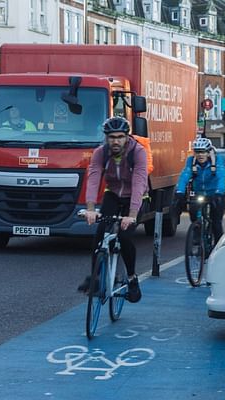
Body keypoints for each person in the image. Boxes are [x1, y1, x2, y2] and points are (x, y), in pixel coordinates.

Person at [78, 116, 148, 303]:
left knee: (125, 236)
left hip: (136, 197)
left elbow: (139, 182)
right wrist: (91, 208)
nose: (115, 141)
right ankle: (95, 277)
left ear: (127, 137)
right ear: (106, 138)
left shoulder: (138, 152)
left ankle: (132, 279)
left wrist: (131, 215)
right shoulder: (101, 153)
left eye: (119, 136)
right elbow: (93, 178)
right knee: (100, 233)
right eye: (111, 137)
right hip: (114, 194)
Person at [175, 137, 225, 244]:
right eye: (197, 152)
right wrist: (180, 192)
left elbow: (221, 176)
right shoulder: (191, 161)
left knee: (216, 222)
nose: (200, 155)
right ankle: (197, 231)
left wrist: (219, 192)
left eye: (203, 152)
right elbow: (185, 175)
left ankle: (218, 246)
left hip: (215, 193)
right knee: (193, 212)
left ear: (208, 152)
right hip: (199, 193)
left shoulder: (217, 160)